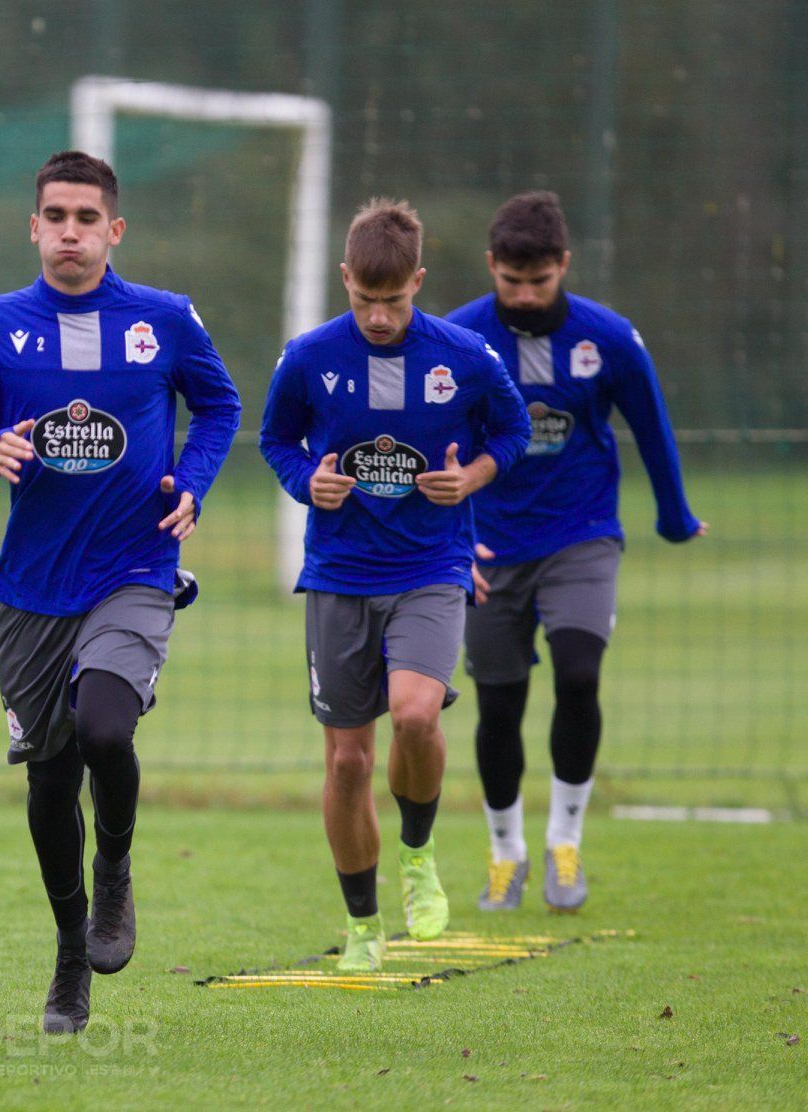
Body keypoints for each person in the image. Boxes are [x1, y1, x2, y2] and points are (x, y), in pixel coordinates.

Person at [0, 151, 240, 1033]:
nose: (70, 232)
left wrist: (192, 482)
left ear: (114, 230)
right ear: (34, 227)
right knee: (51, 779)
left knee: (107, 725)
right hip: (31, 590)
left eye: (86, 218)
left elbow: (219, 407)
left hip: (134, 569)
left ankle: (117, 875)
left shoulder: (163, 321)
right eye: (55, 216)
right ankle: (71, 956)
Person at [260, 198, 530, 972]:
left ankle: (417, 853)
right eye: (363, 299)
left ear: (418, 281)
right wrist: (305, 482)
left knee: (416, 716)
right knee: (346, 764)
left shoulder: (467, 355)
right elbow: (277, 439)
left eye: (394, 299)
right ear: (344, 279)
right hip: (340, 574)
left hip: (431, 569)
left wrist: (472, 475)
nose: (378, 316)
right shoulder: (309, 357)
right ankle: (363, 924)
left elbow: (510, 433)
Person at [448, 192, 704, 913]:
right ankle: (507, 854)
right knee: (499, 706)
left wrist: (675, 516)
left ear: (564, 265)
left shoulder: (609, 338)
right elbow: (437, 441)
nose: (526, 297)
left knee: (580, 672)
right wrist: (451, 539)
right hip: (489, 546)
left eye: (540, 282)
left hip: (582, 534)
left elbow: (651, 427)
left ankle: (565, 842)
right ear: (491, 265)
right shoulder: (461, 338)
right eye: (511, 282)